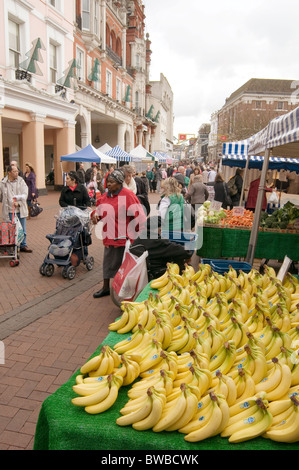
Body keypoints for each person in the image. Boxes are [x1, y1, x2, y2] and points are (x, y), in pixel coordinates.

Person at [91, 169, 147, 298]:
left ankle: (122, 290)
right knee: (108, 262)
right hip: (109, 236)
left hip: (124, 238)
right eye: (108, 182)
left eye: (111, 182)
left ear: (120, 183)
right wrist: (94, 215)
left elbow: (140, 216)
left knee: (123, 266)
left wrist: (137, 234)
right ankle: (105, 287)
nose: (108, 184)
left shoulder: (128, 195)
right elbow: (98, 210)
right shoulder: (105, 196)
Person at [0, 164, 32, 252]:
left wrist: (19, 203)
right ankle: (13, 246)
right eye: (14, 171)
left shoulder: (21, 181)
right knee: (12, 229)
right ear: (9, 173)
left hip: (20, 208)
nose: (17, 173)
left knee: (23, 229)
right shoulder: (3, 183)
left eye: (17, 171)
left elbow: (25, 193)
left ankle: (23, 245)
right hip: (9, 210)